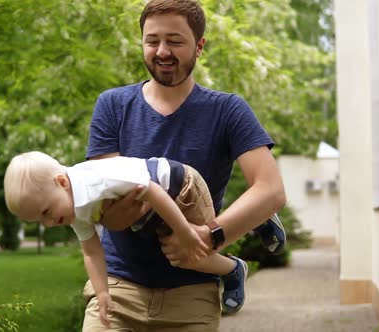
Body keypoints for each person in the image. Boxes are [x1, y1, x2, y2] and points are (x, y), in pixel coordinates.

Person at [82, 0, 287, 331]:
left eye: (175, 41)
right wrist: (173, 223)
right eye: (152, 41)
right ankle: (255, 225)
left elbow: (271, 189)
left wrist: (209, 236)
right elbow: (110, 208)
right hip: (118, 290)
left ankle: (254, 223)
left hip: (191, 296)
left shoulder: (228, 110)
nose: (162, 51)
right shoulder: (113, 106)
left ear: (199, 46)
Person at [3, 151, 280, 327]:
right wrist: (102, 293)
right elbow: (91, 252)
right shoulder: (73, 208)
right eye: (40, 221)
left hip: (177, 187)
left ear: (62, 183)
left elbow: (152, 191)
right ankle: (238, 253)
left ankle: (254, 220)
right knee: (179, 254)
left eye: (47, 212)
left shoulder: (95, 182)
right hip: (151, 213)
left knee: (192, 249)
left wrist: (184, 231)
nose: (49, 223)